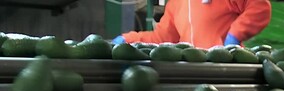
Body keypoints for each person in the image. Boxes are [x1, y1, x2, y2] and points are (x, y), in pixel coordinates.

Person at [112, 0, 272, 49]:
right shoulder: (175, 3)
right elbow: (163, 37)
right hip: (194, 71)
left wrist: (234, 36)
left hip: (226, 69)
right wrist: (128, 39)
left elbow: (260, 6)